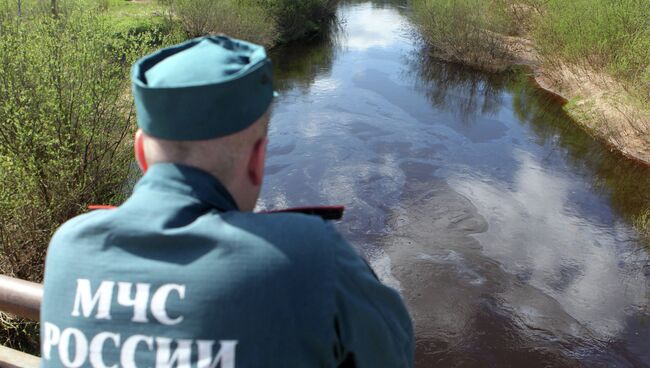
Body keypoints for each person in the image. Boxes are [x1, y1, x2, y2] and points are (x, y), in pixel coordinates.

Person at [40, 35, 414, 368]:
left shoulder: (68, 247)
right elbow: (393, 352)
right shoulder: (312, 254)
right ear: (258, 159)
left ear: (141, 154)